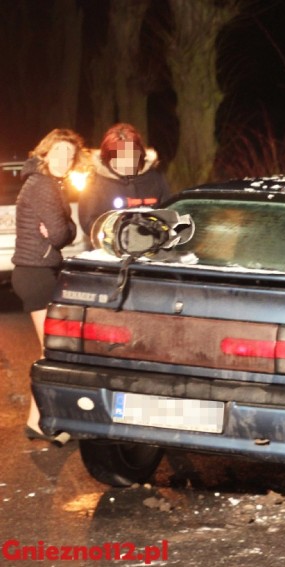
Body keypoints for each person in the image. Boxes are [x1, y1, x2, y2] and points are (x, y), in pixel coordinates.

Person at [12, 128, 86, 445]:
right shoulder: (42, 185)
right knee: (52, 353)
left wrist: (62, 227)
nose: (64, 160)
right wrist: (63, 227)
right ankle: (44, 422)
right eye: (58, 153)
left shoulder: (50, 184)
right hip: (35, 274)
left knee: (51, 351)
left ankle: (38, 421)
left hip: (40, 271)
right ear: (44, 153)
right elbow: (60, 235)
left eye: (69, 155)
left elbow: (61, 230)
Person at [79, 123, 171, 241]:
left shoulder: (155, 177)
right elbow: (89, 222)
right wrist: (122, 234)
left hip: (153, 247)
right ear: (108, 158)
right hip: (111, 250)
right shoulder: (95, 182)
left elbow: (169, 210)